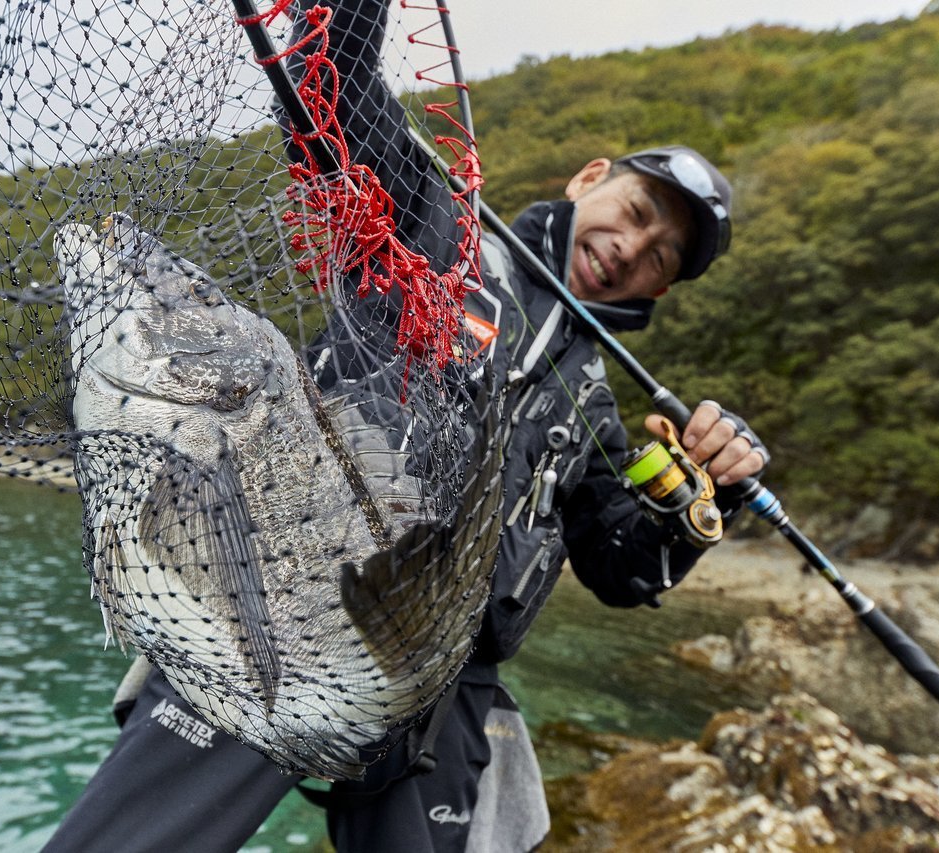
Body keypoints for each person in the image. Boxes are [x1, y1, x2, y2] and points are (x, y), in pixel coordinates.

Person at [44, 2, 767, 850]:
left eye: (661, 256)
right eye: (638, 211)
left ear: (663, 289)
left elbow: (623, 567)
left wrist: (703, 498)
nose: (631, 247)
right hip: (286, 604)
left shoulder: (594, 407)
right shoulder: (435, 224)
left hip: (443, 689)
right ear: (590, 178)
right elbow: (335, 90)